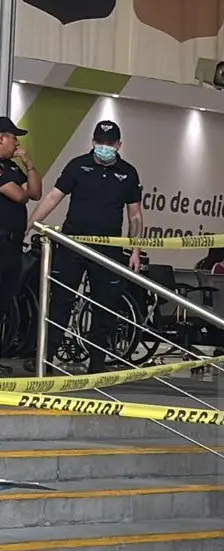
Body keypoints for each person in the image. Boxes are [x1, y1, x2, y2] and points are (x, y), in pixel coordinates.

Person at [27, 119, 142, 373]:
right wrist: (31, 224)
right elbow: (53, 197)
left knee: (104, 305)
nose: (104, 147)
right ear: (93, 142)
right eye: (100, 142)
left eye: (109, 144)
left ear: (119, 145)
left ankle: (97, 364)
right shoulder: (78, 165)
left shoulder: (128, 173)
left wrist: (135, 250)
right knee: (61, 302)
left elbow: (135, 215)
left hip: (109, 248)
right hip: (73, 244)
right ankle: (45, 358)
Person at [0, 117, 40, 375]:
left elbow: (35, 192)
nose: (17, 143)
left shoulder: (11, 168)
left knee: (4, 304)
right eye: (14, 138)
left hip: (13, 246)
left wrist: (29, 164)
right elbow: (18, 195)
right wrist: (23, 189)